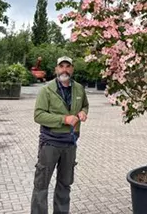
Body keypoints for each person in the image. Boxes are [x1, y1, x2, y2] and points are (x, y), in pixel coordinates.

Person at [31, 56, 89, 214]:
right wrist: (63, 119)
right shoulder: (47, 90)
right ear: (56, 69)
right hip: (50, 143)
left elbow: (85, 105)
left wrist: (83, 112)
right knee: (41, 185)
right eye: (61, 66)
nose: (64, 69)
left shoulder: (79, 89)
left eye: (67, 66)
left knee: (65, 185)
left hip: (70, 144)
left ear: (72, 69)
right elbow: (38, 115)